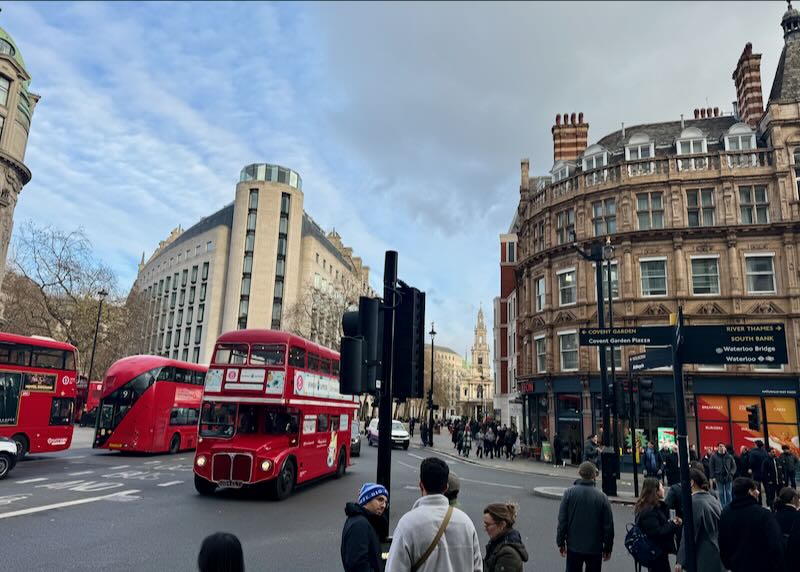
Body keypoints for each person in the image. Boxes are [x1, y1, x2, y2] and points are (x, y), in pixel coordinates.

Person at [385, 457, 482, 572]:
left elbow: (395, 568)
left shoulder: (407, 524)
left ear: (421, 485)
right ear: (446, 487)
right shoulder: (466, 523)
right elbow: (477, 568)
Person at [556, 461, 614, 572]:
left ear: (579, 473)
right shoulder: (602, 497)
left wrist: (561, 541)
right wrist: (607, 548)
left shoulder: (569, 493)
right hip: (595, 547)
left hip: (574, 545)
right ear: (593, 476)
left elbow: (562, 521)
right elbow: (608, 526)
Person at [719, 477, 785, 572]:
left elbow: (723, 543)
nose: (758, 492)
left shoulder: (725, 514)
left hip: (737, 566)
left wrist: (728, 564)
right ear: (750, 491)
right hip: (762, 566)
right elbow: (776, 544)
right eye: (756, 489)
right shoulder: (763, 514)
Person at [675, 469, 725, 572]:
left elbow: (689, 533)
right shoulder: (712, 499)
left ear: (692, 483)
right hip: (719, 554)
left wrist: (680, 560)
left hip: (704, 556)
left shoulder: (694, 502)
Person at [633, 477, 681, 572]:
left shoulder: (653, 507)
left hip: (658, 553)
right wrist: (673, 524)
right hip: (656, 554)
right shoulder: (648, 511)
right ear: (655, 491)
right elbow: (657, 533)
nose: (663, 489)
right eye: (661, 487)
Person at [341, 483, 389, 572]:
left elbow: (382, 530)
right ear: (367, 499)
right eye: (380, 500)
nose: (383, 506)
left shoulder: (365, 521)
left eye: (386, 502)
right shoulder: (359, 525)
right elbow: (358, 566)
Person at [483, 503, 528, 572]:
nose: (485, 529)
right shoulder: (497, 544)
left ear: (502, 525)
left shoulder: (508, 555)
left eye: (488, 525)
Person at [709, 442, 737, 508]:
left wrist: (731, 473)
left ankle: (730, 507)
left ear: (725, 448)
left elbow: (734, 466)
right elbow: (711, 467)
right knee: (720, 493)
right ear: (718, 447)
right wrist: (712, 477)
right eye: (720, 446)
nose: (722, 448)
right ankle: (723, 507)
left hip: (728, 477)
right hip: (718, 477)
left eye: (723, 446)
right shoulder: (714, 456)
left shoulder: (729, 456)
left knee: (728, 493)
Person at [749, 440, 769, 504]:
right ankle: (768, 502)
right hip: (765, 472)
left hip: (756, 472)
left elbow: (751, 462)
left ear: (756, 444)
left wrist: (751, 468)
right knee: (767, 488)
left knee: (757, 489)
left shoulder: (753, 452)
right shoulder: (765, 452)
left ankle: (759, 503)